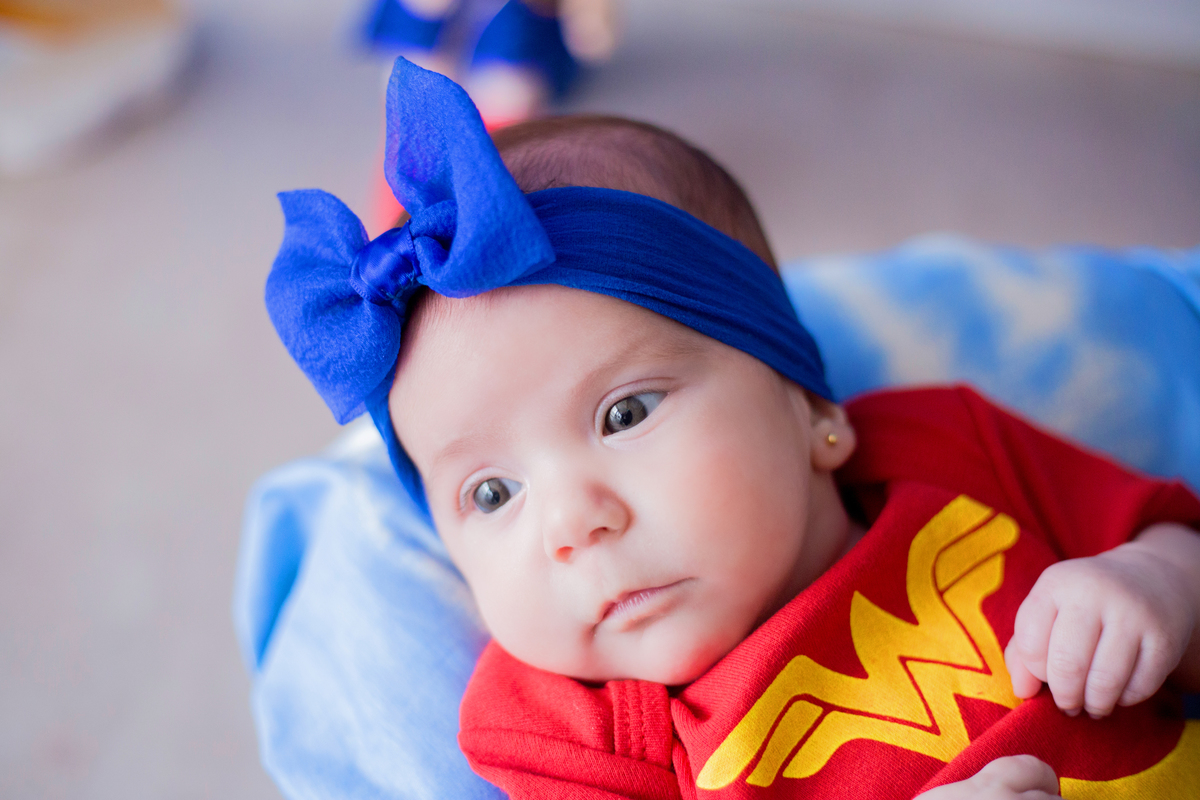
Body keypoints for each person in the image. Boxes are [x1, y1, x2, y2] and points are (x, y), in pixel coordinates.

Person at [264, 58, 1200, 798]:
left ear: (813, 410)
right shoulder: (563, 732)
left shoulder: (947, 443)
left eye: (623, 413)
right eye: (491, 493)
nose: (571, 524)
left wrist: (1151, 582)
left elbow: (1174, 533)